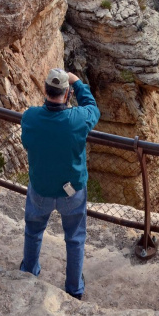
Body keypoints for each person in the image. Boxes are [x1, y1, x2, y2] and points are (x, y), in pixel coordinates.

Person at [19, 68, 100, 300]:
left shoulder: (30, 117)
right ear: (67, 94)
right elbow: (93, 108)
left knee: (33, 231)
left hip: (41, 188)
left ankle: (29, 272)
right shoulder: (77, 119)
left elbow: (27, 143)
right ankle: (74, 289)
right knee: (74, 238)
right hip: (71, 191)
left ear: (45, 91)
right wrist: (78, 84)